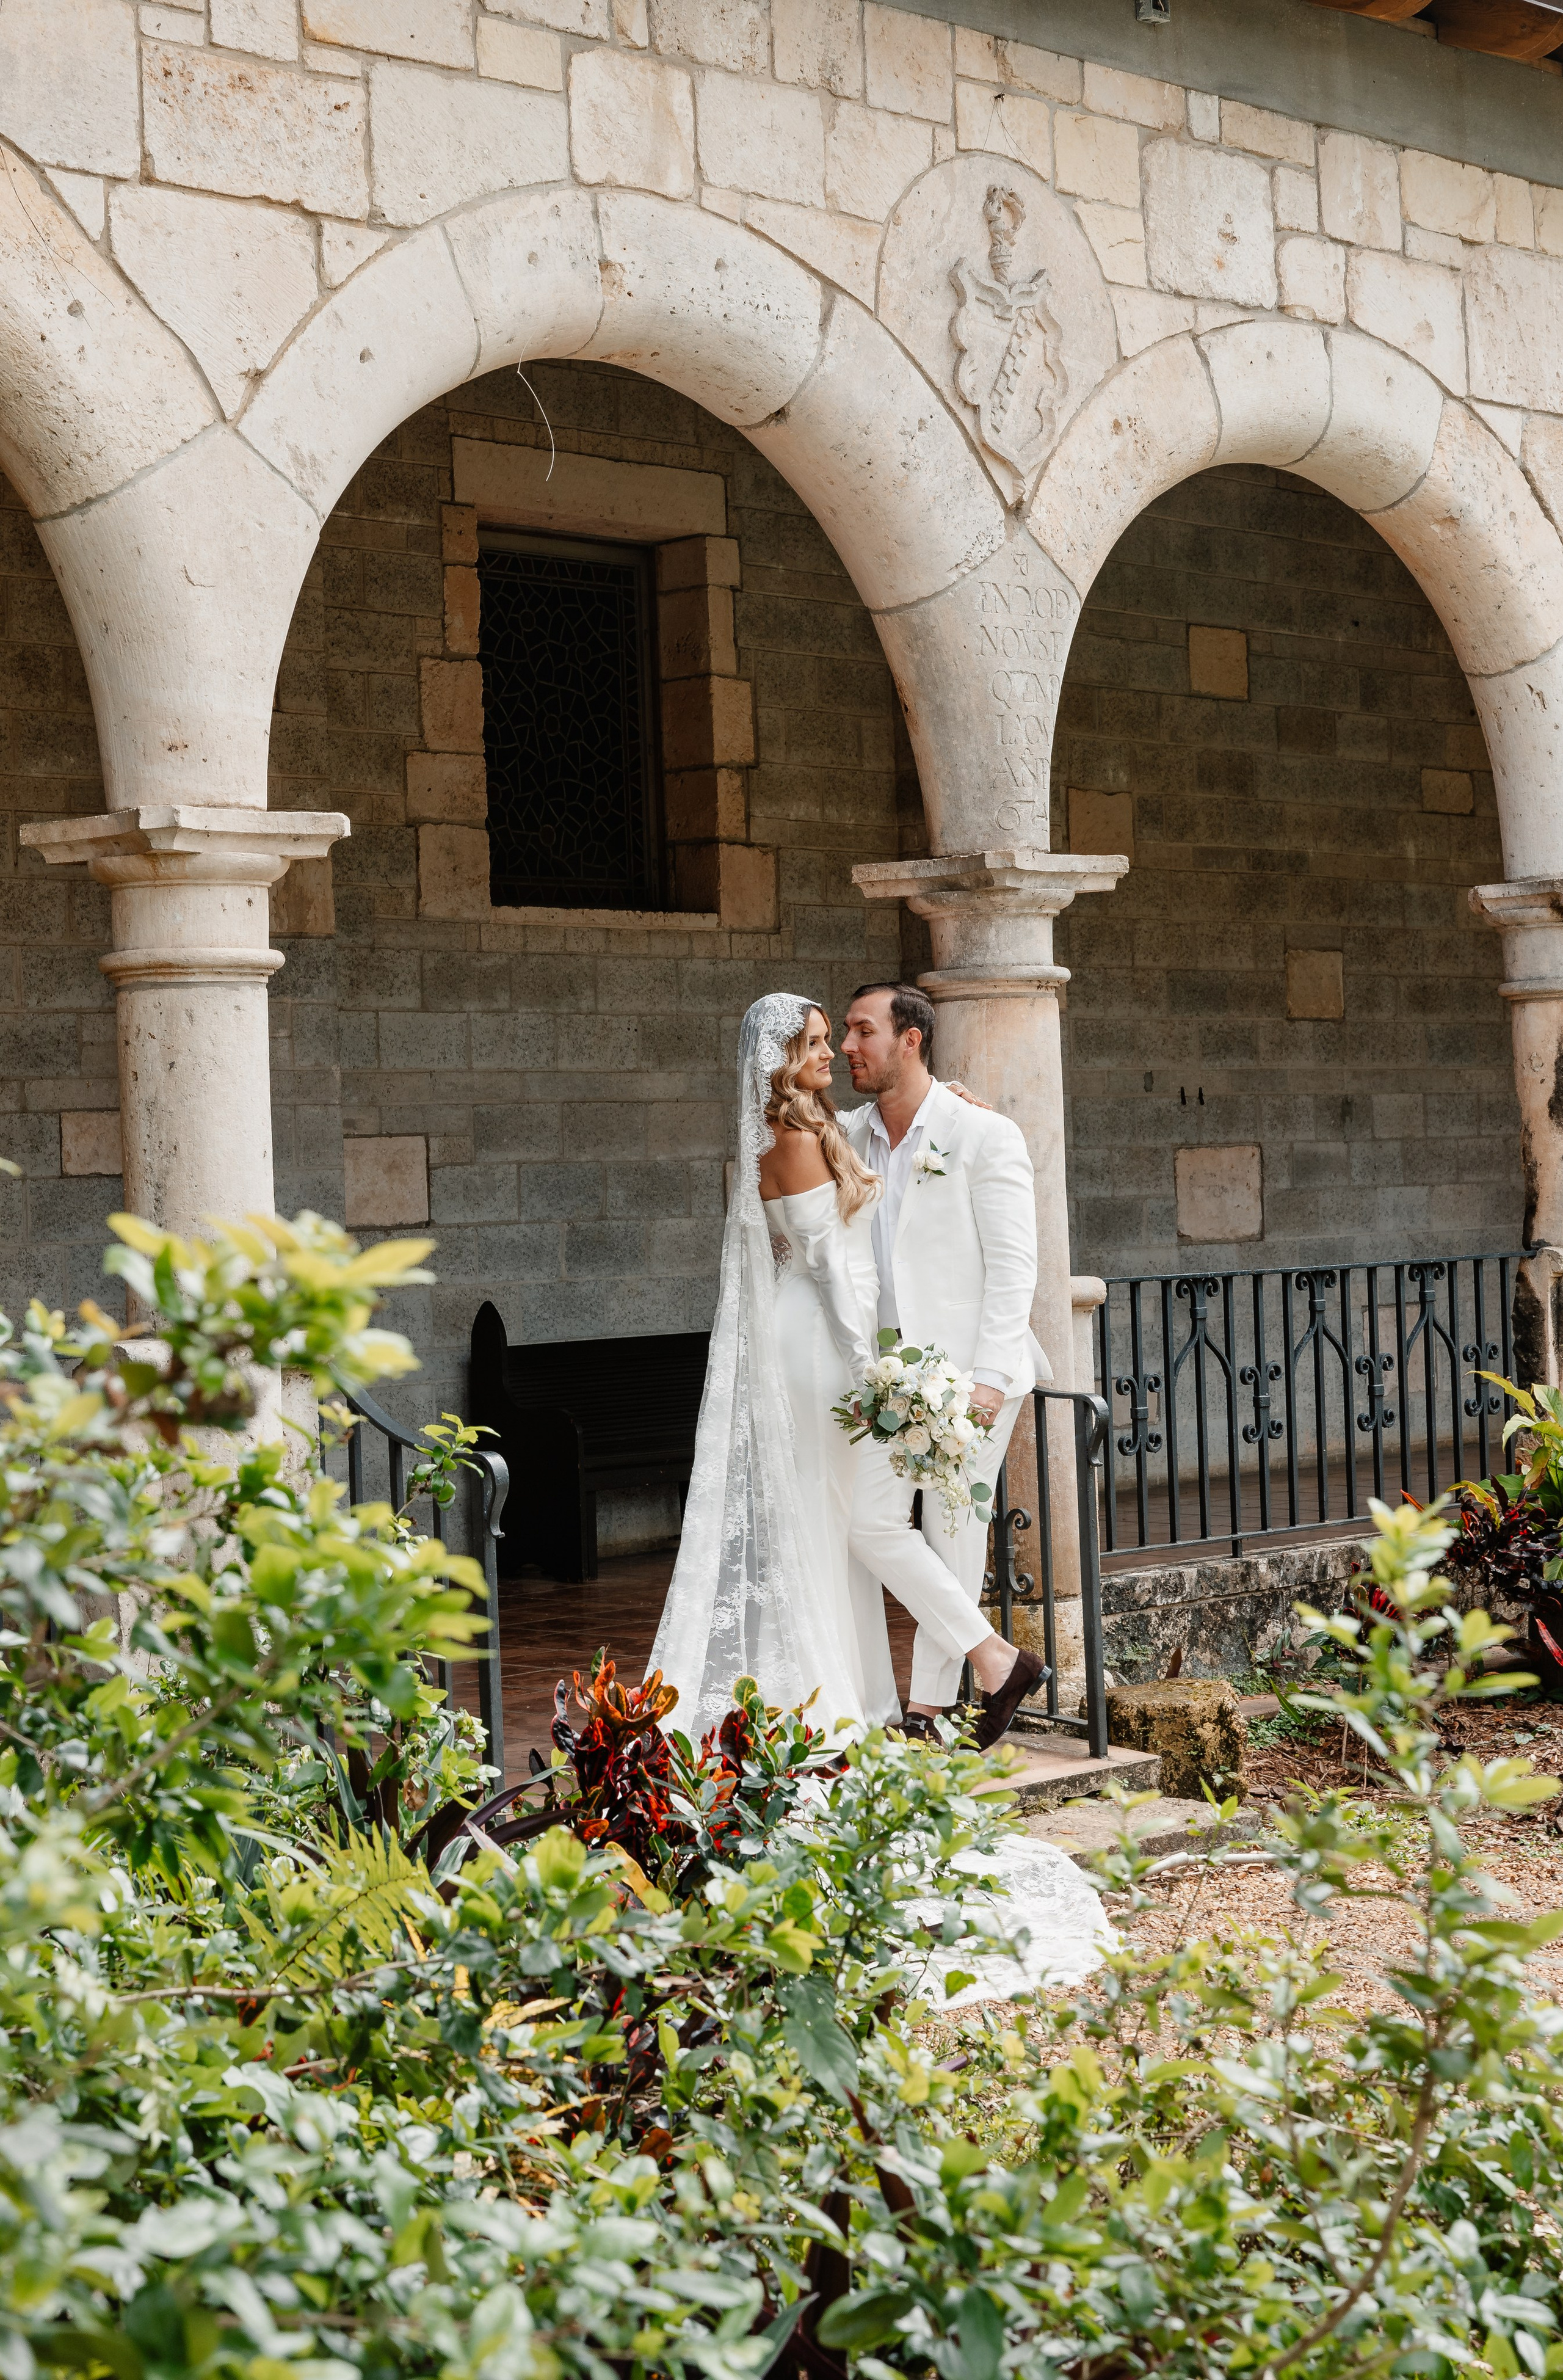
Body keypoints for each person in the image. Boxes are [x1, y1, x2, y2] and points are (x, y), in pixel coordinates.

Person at [647, 992, 885, 1742]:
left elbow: (879, 1129)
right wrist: (869, 1368)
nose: (827, 1053)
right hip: (818, 1338)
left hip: (813, 1328)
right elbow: (828, 1269)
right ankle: (821, 1702)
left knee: (834, 1515)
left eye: (828, 1040)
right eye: (814, 1043)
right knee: (819, 1515)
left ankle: (848, 1691)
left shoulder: (812, 1128)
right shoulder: (791, 1139)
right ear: (779, 1060)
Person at [840, 982, 1048, 1747]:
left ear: (910, 1041)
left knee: (956, 1537)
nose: (846, 1048)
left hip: (969, 1377)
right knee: (871, 1523)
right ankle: (998, 1662)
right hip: (888, 1382)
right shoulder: (846, 1134)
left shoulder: (984, 1135)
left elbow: (1012, 1269)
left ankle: (928, 1712)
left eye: (862, 1031)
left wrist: (990, 1381)